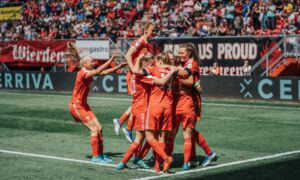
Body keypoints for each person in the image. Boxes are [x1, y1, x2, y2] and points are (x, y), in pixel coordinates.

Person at [117, 53, 177, 172]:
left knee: (152, 137)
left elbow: (131, 60)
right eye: (150, 62)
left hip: (141, 107)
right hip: (143, 109)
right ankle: (126, 161)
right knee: (143, 138)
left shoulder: (134, 74)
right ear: (144, 63)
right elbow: (160, 80)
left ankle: (152, 165)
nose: (152, 64)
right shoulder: (143, 75)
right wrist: (170, 68)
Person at [67, 43, 127, 163]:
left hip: (84, 105)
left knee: (99, 128)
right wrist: (110, 59)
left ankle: (100, 155)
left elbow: (102, 72)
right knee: (94, 129)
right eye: (91, 61)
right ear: (85, 64)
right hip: (76, 106)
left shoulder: (88, 71)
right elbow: (99, 70)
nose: (93, 63)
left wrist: (117, 66)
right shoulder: (83, 73)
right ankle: (95, 157)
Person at [113, 21, 155, 143]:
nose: (154, 32)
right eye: (152, 30)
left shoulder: (147, 44)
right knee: (138, 102)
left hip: (140, 75)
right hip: (134, 76)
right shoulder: (140, 41)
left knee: (140, 102)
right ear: (146, 30)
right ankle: (127, 127)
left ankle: (122, 123)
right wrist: (133, 70)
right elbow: (127, 55)